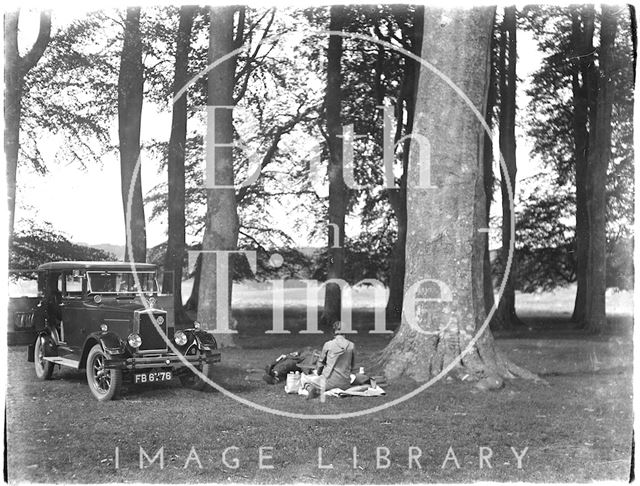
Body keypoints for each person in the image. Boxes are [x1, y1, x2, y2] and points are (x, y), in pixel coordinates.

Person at [301, 320, 356, 399]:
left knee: (304, 378)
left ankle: (311, 389)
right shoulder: (351, 345)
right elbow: (353, 366)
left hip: (328, 383)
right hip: (345, 384)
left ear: (333, 332)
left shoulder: (328, 345)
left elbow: (320, 364)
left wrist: (318, 373)